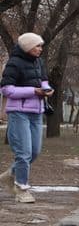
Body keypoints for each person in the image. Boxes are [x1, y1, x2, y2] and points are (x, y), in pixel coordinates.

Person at [1, 32, 55, 204]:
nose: (40, 49)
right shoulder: (14, 63)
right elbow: (7, 90)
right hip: (18, 113)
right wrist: (34, 91)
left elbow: (43, 81)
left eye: (41, 46)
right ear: (27, 46)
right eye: (37, 46)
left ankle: (10, 175)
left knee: (34, 152)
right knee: (23, 154)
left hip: (36, 112)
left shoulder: (39, 62)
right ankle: (21, 189)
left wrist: (47, 89)